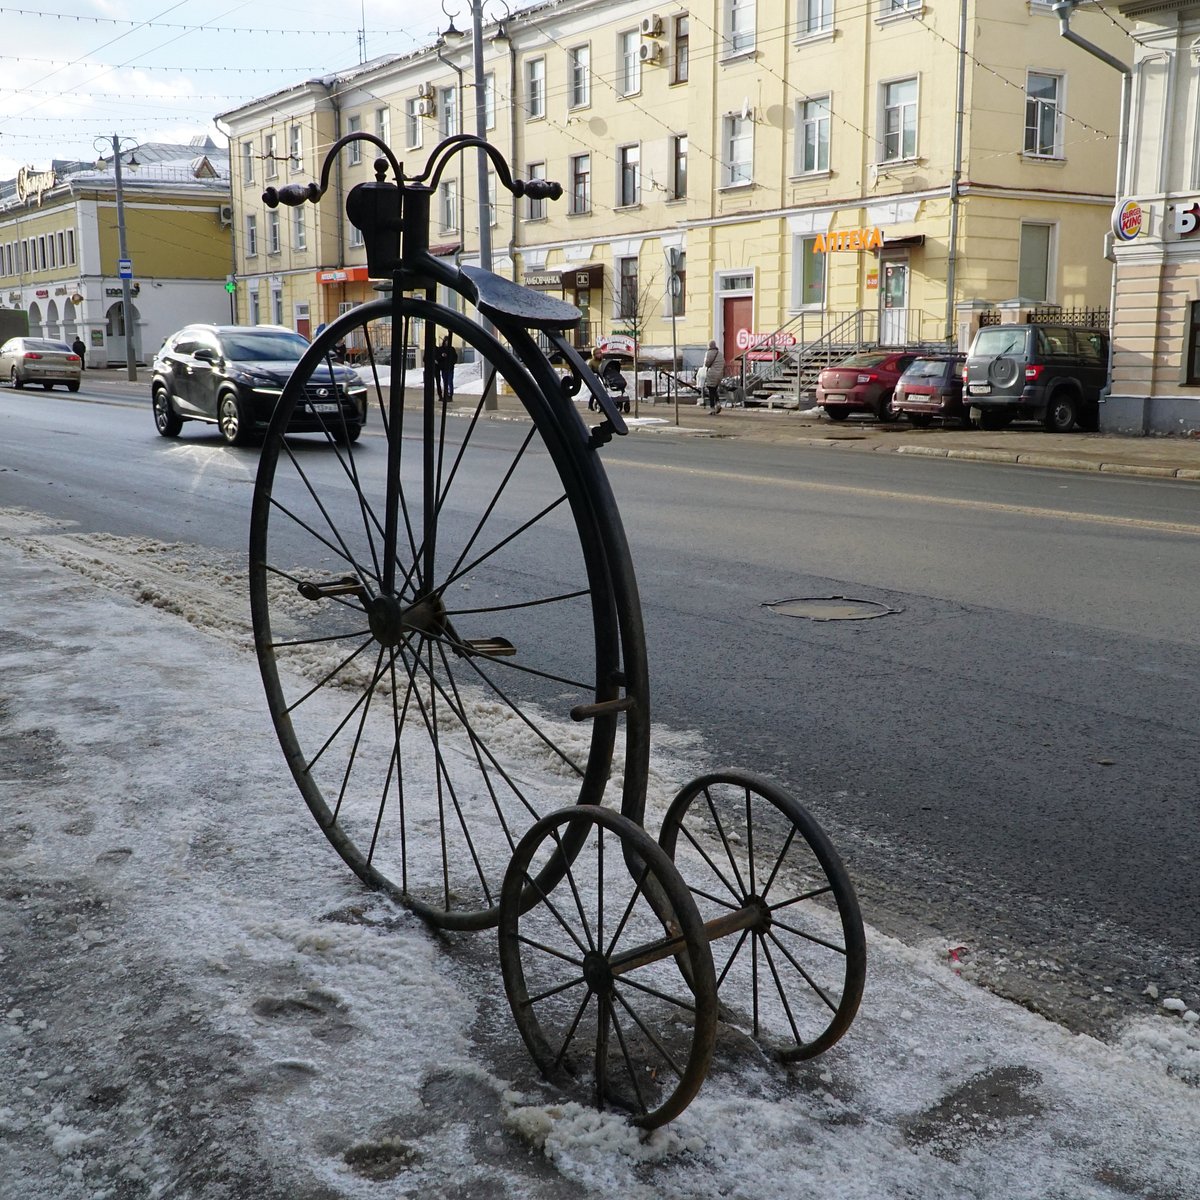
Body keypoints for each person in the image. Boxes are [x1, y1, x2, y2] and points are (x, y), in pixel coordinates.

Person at [702, 339, 724, 413]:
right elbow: (723, 363)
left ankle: (712, 408)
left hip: (712, 374)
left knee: (711, 391)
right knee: (714, 389)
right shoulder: (720, 353)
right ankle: (718, 403)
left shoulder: (709, 353)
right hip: (719, 374)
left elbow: (706, 364)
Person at [434, 334, 458, 402]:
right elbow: (437, 358)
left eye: (448, 341)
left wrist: (453, 363)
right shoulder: (441, 349)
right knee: (445, 382)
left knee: (450, 381)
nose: (447, 342)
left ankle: (450, 395)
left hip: (450, 368)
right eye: (446, 341)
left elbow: (455, 357)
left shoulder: (452, 349)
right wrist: (441, 356)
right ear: (444, 341)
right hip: (444, 368)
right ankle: (446, 394)